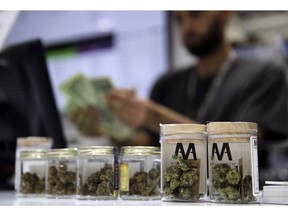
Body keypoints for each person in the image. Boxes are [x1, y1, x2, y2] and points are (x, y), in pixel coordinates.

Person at [105, 11, 288, 185]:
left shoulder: (263, 76)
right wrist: (108, 128)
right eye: (179, 19)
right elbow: (145, 147)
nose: (187, 27)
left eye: (195, 14)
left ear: (224, 12)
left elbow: (239, 151)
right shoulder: (167, 84)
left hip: (232, 194)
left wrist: (152, 116)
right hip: (175, 195)